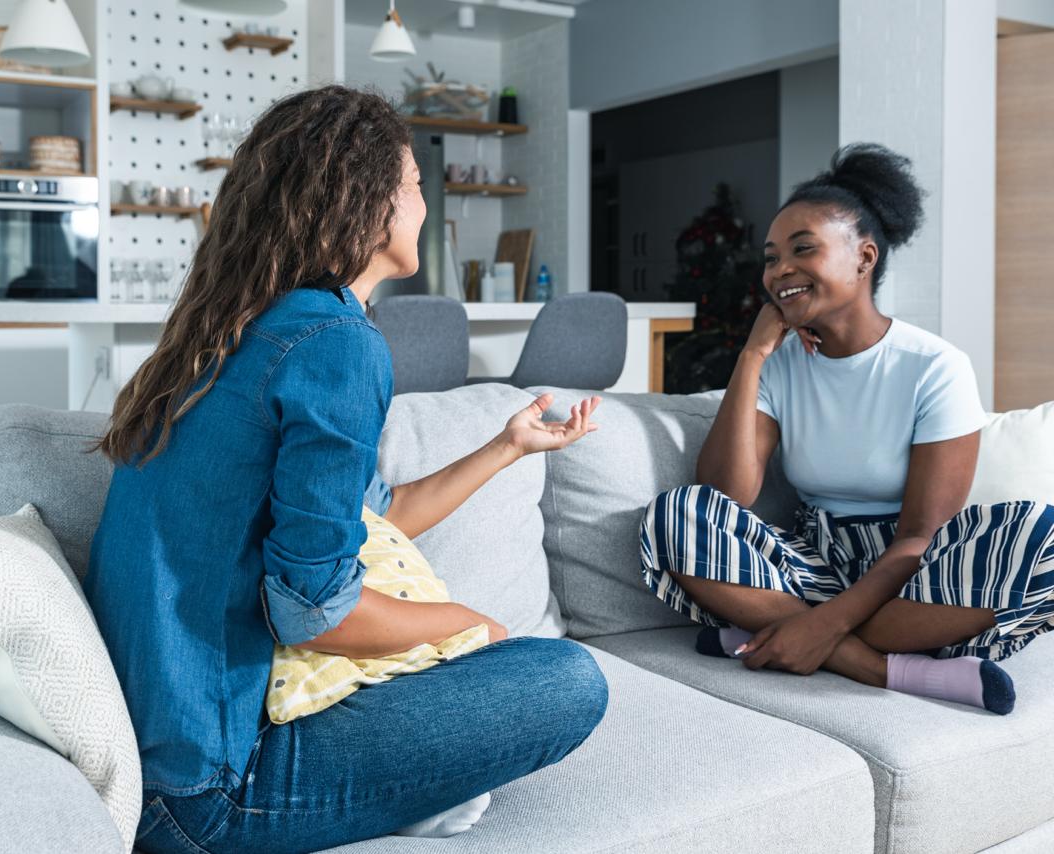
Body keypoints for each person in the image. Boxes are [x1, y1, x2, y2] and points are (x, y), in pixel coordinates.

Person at [83, 85, 608, 854]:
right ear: (370, 205)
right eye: (416, 187)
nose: (424, 209)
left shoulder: (240, 330)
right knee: (570, 679)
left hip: (166, 765)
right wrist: (471, 623)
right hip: (211, 791)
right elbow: (314, 613)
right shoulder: (335, 342)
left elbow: (368, 519)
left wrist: (507, 446)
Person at [641, 143, 1054, 716]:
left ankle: (764, 633)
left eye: (802, 249)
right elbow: (725, 494)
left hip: (910, 573)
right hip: (815, 561)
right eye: (769, 257)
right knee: (679, 513)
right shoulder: (779, 365)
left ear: (864, 258)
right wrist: (754, 355)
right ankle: (877, 666)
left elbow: (920, 535)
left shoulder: (934, 366)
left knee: (1048, 536)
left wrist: (823, 622)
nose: (779, 269)